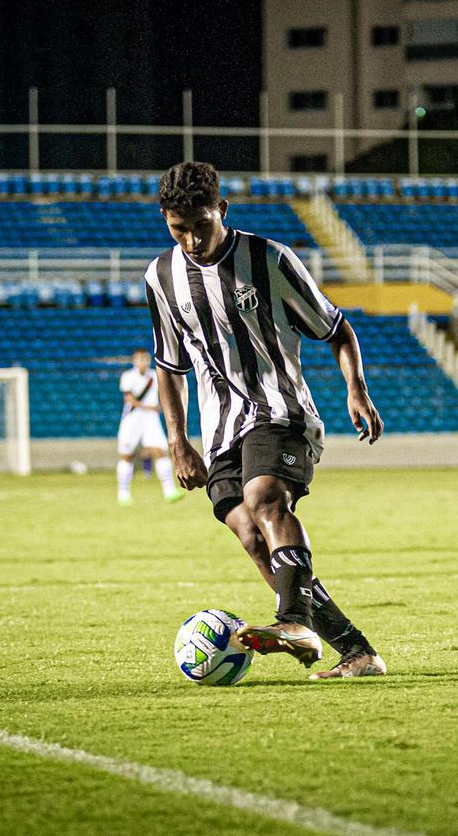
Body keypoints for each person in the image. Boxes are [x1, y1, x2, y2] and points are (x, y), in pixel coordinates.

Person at [146, 161, 388, 678]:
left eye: (200, 226)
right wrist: (177, 442)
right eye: (178, 229)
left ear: (222, 211)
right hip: (218, 431)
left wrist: (356, 390)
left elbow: (337, 328)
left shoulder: (270, 260)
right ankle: (357, 652)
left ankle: (294, 622)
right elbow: (169, 365)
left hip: (281, 411)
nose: (190, 241)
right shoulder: (161, 277)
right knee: (253, 538)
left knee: (264, 499)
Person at [116, 348, 185, 506]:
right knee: (127, 455)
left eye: (145, 359)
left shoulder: (155, 375)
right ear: (134, 361)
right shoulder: (128, 377)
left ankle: (169, 491)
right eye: (139, 359)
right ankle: (123, 493)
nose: (143, 362)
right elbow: (129, 400)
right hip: (133, 419)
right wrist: (150, 407)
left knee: (160, 451)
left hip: (150, 420)